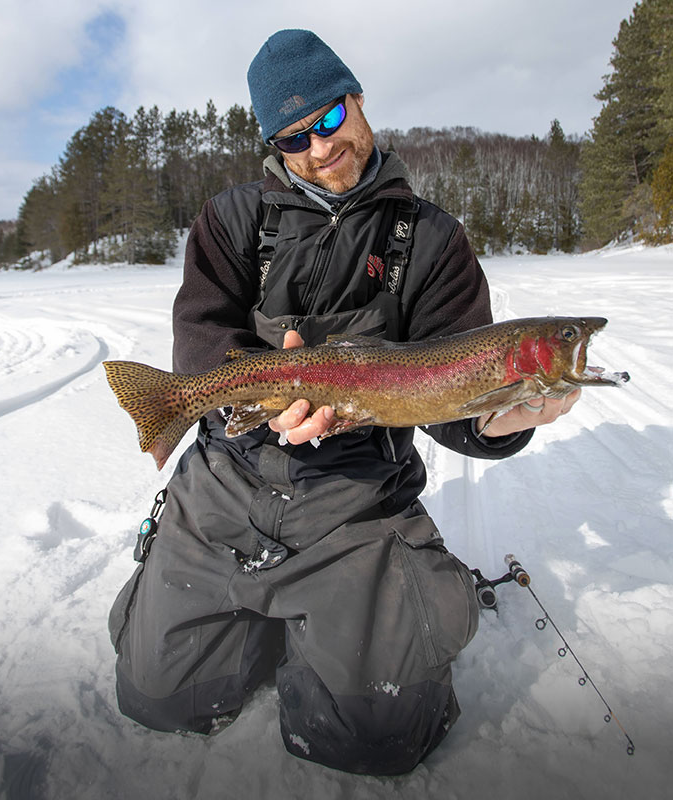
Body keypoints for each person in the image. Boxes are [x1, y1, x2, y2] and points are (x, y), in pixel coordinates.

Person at [108, 29, 580, 775]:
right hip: (228, 485)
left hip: (357, 499)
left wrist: (501, 420)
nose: (319, 148)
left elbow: (452, 399)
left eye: (329, 119)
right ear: (274, 144)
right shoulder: (233, 220)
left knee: (378, 735)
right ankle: (267, 612)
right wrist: (253, 393)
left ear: (357, 98)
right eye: (294, 138)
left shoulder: (431, 240)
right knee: (158, 697)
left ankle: (383, 594)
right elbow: (201, 339)